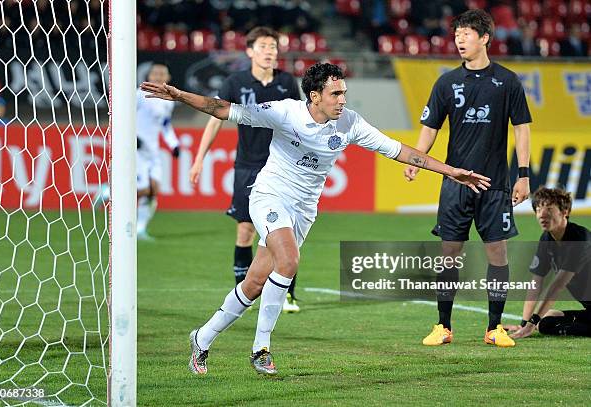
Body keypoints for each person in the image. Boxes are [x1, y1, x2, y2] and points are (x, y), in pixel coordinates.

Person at [141, 62, 491, 376]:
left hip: (304, 209)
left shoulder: (350, 123)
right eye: (335, 93)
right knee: (289, 260)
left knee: (254, 283)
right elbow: (221, 108)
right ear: (315, 96)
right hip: (269, 196)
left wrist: (451, 172)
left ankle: (202, 337)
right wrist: (177, 95)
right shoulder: (284, 113)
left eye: (344, 93)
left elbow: (401, 151)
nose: (343, 99)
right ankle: (261, 349)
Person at [403, 9, 532, 348]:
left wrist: (523, 175)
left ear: (485, 38)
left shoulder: (507, 81)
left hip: (494, 184)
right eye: (457, 34)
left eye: (466, 34)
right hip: (455, 183)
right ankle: (443, 326)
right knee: (448, 254)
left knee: (498, 255)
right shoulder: (446, 82)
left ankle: (495, 328)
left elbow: (521, 129)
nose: (459, 40)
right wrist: (417, 159)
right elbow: (430, 127)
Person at [189, 26, 303, 312]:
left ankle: (288, 295)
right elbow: (215, 118)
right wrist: (200, 157)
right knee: (245, 230)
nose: (269, 51)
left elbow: (299, 122)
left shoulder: (287, 81)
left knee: (283, 232)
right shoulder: (235, 82)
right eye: (263, 46)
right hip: (248, 165)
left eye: (273, 47)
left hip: (281, 168)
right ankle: (243, 292)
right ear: (250, 51)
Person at [504, 187, 590, 338]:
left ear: (565, 212)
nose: (542, 215)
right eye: (538, 209)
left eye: (549, 209)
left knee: (541, 323)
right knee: (546, 321)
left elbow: (557, 285)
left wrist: (530, 326)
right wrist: (524, 324)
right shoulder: (547, 239)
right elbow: (536, 282)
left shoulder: (580, 238)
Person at [136, 63, 180, 241]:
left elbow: (165, 125)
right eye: (155, 73)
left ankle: (140, 230)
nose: (159, 76)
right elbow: (122, 117)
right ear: (149, 76)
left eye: (162, 73)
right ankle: (108, 192)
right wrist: (131, 137)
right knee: (144, 188)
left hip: (152, 150)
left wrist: (174, 144)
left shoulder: (168, 101)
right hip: (136, 148)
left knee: (154, 190)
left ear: (168, 78)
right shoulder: (139, 95)